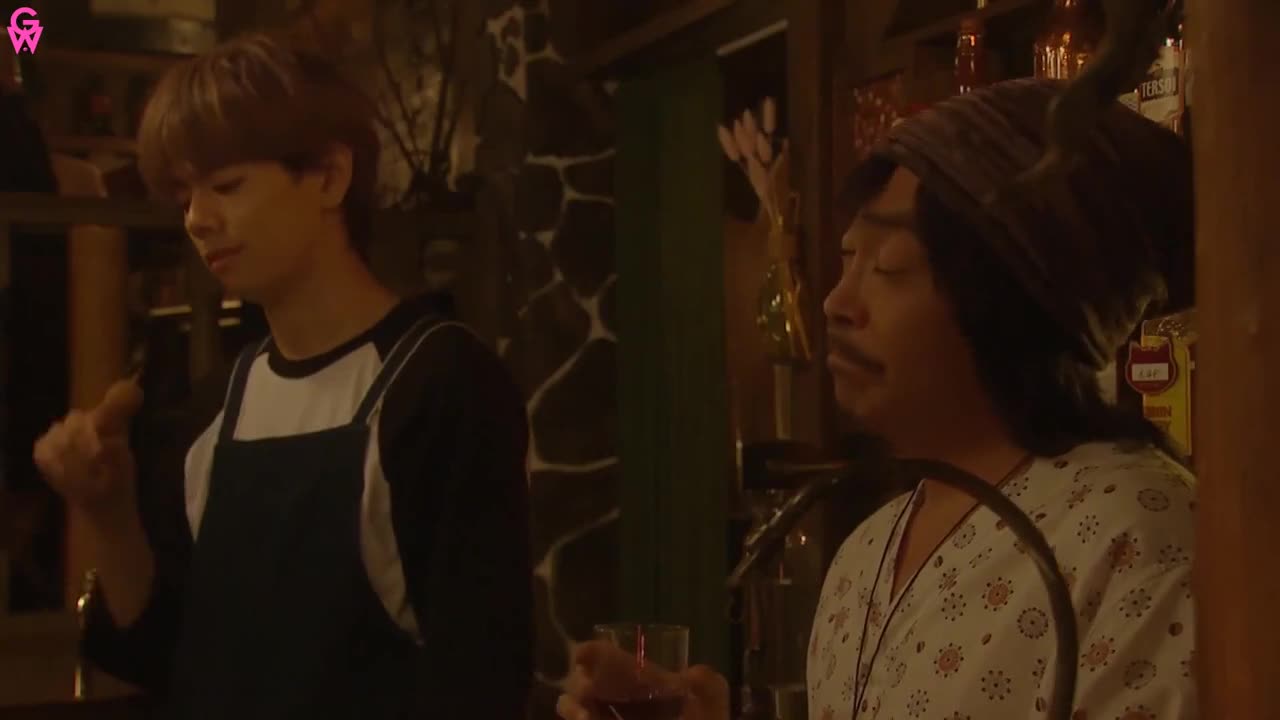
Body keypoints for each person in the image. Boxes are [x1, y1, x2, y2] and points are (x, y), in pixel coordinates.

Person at [557, 78, 1196, 719]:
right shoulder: (865, 554)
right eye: (847, 260)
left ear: (1016, 298)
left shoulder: (1140, 535)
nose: (837, 303)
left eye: (888, 266)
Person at [32, 33, 533, 718]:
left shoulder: (440, 385)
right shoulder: (217, 406)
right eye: (184, 195)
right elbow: (163, 656)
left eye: (226, 186)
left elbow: (481, 678)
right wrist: (109, 511)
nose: (198, 220)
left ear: (329, 176)